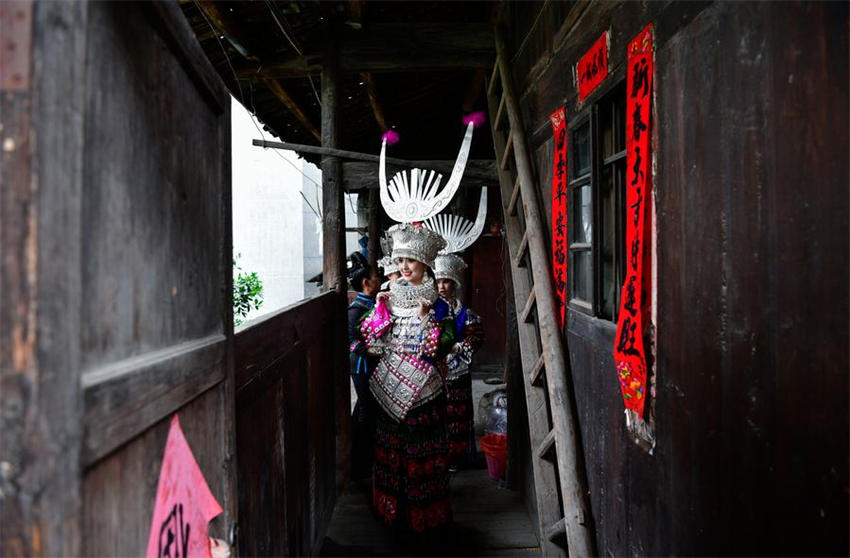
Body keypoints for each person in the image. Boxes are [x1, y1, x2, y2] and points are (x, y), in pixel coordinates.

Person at [361, 224, 456, 534]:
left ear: (425, 264)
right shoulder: (386, 298)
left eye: (410, 261)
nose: (403, 267)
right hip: (388, 390)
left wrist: (428, 319)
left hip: (425, 393)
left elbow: (444, 346)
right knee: (390, 452)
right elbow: (371, 345)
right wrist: (379, 311)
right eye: (400, 260)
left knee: (422, 454)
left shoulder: (441, 305)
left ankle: (425, 519)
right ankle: (391, 514)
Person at [434, 253, 484, 470]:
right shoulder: (430, 311)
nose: (441, 286)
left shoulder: (465, 312)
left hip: (458, 370)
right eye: (437, 281)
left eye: (446, 281)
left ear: (454, 284)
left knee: (459, 415)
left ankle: (457, 457)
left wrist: (459, 346)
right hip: (435, 371)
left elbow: (476, 337)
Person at [347, 252, 382, 480]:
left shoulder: (373, 304)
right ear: (365, 283)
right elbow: (350, 340)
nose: (378, 278)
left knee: (366, 409)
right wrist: (367, 350)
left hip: (371, 363)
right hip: (361, 365)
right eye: (375, 275)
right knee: (367, 412)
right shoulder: (356, 310)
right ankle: (360, 466)